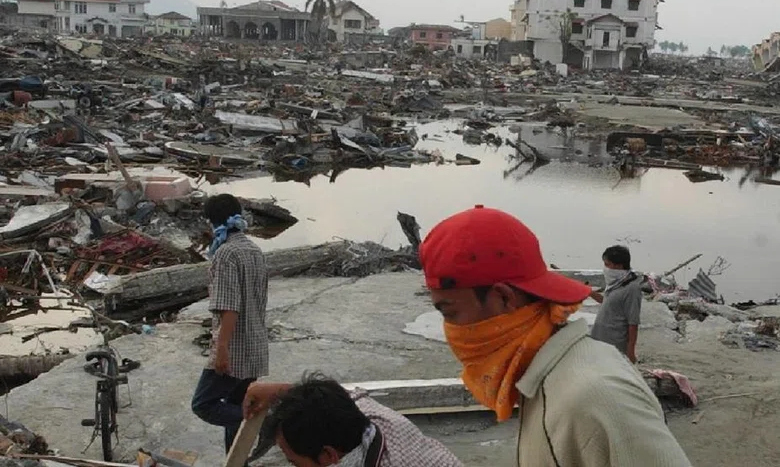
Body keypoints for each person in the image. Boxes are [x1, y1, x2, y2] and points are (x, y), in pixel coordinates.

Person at [420, 205, 692, 467]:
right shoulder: (542, 378)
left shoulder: (595, 397)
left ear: (503, 297)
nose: (451, 331)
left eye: (449, 312)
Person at [191, 193, 269, 454]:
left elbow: (229, 307)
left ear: (211, 222)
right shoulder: (253, 250)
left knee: (204, 404)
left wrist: (221, 348)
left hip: (234, 347)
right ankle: (236, 460)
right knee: (238, 404)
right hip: (254, 344)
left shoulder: (225, 253)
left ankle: (264, 423)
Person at [243, 376, 463, 467]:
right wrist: (279, 391)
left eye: (296, 464)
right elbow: (337, 395)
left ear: (329, 456)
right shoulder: (367, 416)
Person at [589, 245, 643, 363]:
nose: (605, 268)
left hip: (615, 347)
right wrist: (589, 292)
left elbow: (633, 323)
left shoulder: (632, 289)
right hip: (600, 342)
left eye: (607, 264)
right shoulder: (615, 283)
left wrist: (630, 353)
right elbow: (608, 303)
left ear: (618, 266)